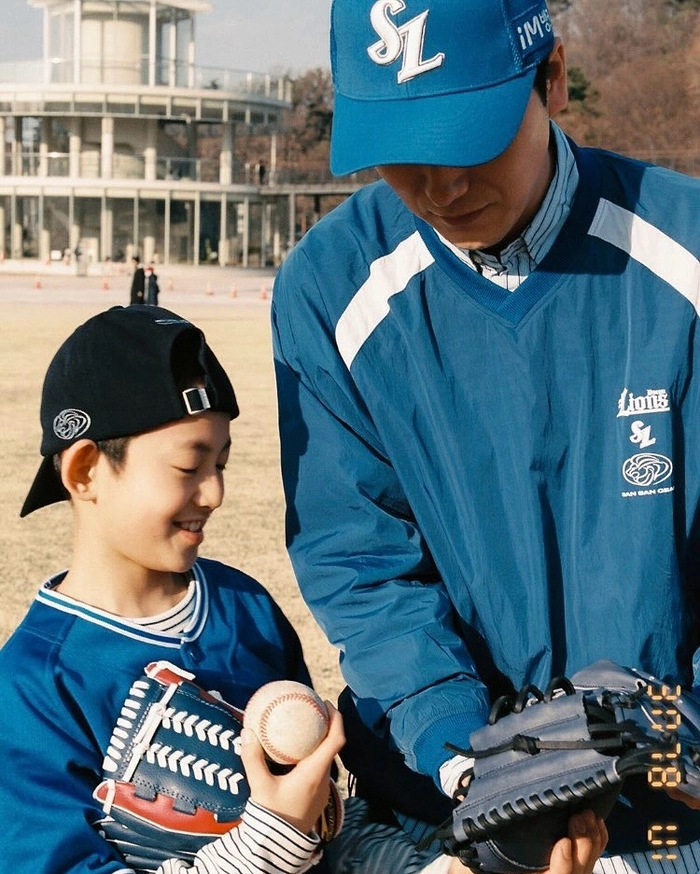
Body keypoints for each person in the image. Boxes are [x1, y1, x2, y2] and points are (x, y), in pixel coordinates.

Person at [271, 0, 700, 871]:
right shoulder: (328, 290)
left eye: (471, 138)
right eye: (402, 150)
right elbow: (361, 563)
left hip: (677, 809)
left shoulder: (685, 254)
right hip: (463, 810)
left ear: (552, 79)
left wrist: (665, 744)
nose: (441, 186)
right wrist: (479, 769)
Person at [0, 305, 345, 874]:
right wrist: (265, 846)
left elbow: (321, 817)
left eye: (222, 464)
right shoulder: (34, 687)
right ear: (85, 471)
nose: (214, 493)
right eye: (189, 466)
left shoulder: (246, 606)